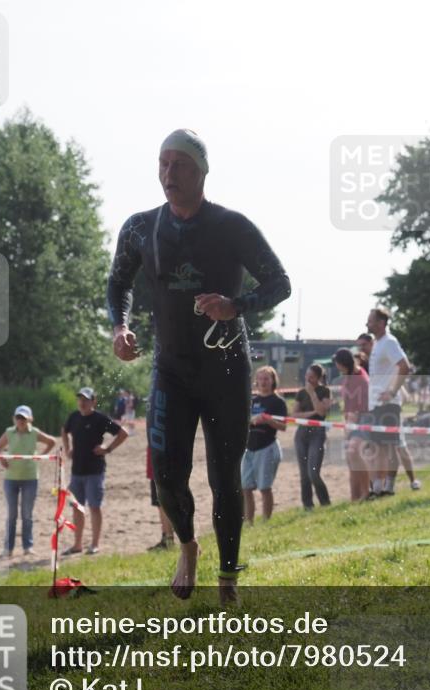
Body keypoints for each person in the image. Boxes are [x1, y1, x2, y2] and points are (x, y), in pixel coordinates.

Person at [108, 129, 290, 604]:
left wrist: (236, 304)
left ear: (202, 171)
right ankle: (188, 546)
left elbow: (280, 283)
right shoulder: (140, 227)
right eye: (162, 164)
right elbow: (118, 283)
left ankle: (228, 577)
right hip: (171, 370)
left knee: (224, 476)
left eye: (180, 165)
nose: (169, 174)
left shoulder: (232, 226)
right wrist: (119, 326)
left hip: (226, 369)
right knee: (166, 475)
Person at [61, 387, 129, 555]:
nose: (82, 402)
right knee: (77, 507)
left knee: (94, 507)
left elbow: (123, 433)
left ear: (93, 401)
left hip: (95, 471)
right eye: (80, 399)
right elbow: (64, 431)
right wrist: (68, 448)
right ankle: (77, 545)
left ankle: (95, 544)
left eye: (86, 399)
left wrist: (107, 448)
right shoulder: (74, 417)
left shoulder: (100, 419)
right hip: (76, 471)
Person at [0, 405, 55, 558]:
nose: (21, 421)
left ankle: (28, 547)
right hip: (11, 478)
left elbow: (51, 442)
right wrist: (1, 459)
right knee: (12, 515)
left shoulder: (35, 432)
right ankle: (8, 549)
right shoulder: (9, 432)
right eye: (18, 418)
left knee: (27, 515)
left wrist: (41, 456)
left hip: (30, 478)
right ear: (14, 419)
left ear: (29, 419)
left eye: (24, 418)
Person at [364, 308, 411, 498]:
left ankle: (388, 488)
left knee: (390, 446)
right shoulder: (378, 343)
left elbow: (404, 366)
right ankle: (377, 488)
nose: (367, 324)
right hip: (375, 404)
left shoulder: (389, 342)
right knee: (377, 447)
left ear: (381, 323)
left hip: (388, 404)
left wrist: (392, 391)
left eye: (370, 321)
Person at [242, 366, 287, 522]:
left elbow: (283, 426)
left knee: (264, 488)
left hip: (267, 447)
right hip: (248, 448)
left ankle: (266, 521)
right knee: (246, 488)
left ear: (273, 381)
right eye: (260, 378)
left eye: (266, 378)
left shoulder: (278, 401)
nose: (263, 382)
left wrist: (268, 420)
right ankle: (249, 522)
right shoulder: (252, 400)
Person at [333, 348, 371, 501]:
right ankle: (355, 496)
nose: (337, 367)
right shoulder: (350, 376)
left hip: (362, 419)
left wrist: (349, 428)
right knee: (351, 459)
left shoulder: (358, 378)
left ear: (343, 363)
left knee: (353, 453)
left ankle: (366, 492)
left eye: (338, 364)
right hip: (352, 419)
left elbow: (357, 407)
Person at [293, 364, 332, 509]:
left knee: (313, 472)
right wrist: (310, 415)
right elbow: (294, 414)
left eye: (311, 377)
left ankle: (325, 502)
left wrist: (312, 394)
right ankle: (307, 505)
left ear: (318, 378)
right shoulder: (301, 392)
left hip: (317, 433)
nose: (308, 379)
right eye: (306, 376)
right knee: (304, 474)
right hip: (302, 433)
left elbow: (321, 412)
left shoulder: (324, 391)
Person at [147, 445, 175, 550]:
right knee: (160, 503)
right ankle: (166, 536)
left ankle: (168, 538)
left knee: (162, 503)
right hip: (158, 464)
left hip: (160, 465)